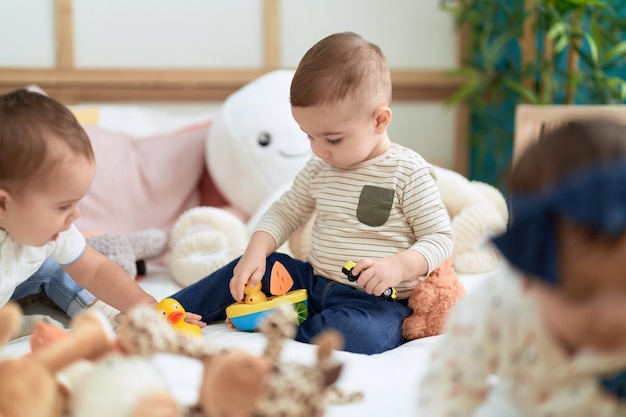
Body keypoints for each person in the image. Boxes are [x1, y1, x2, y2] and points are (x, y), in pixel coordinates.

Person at [171, 31, 454, 354]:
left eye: (332, 139)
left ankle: (282, 323)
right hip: (312, 282)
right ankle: (169, 311)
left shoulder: (407, 172)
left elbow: (440, 239)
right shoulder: (320, 168)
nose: (319, 150)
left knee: (363, 334)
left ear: (379, 120)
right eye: (309, 136)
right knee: (252, 267)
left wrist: (400, 266)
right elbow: (286, 211)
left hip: (375, 301)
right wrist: (256, 251)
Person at [417, 120, 626, 416]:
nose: (615, 316)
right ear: (528, 276)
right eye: (582, 293)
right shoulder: (500, 305)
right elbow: (448, 386)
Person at [0, 88, 167, 335]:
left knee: (56, 268)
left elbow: (96, 270)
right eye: (63, 206)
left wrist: (144, 305)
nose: (76, 215)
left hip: (16, 279)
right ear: (3, 205)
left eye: (77, 202)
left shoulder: (52, 232)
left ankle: (104, 314)